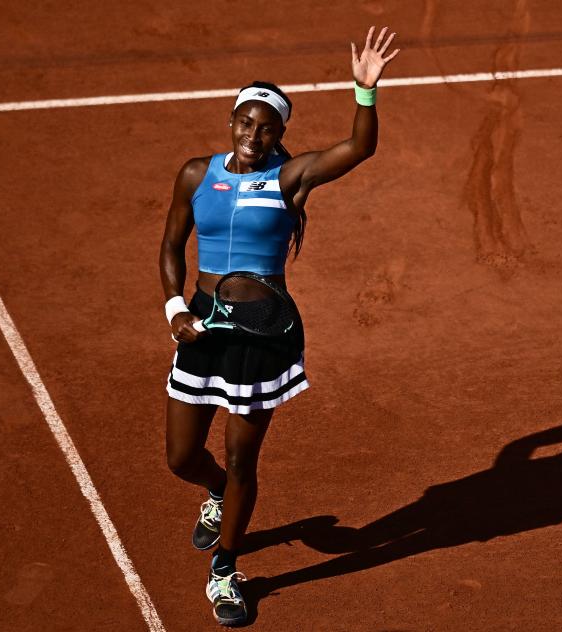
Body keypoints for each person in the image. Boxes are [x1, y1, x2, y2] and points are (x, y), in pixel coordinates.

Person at [158, 26, 400, 626]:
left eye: (266, 127)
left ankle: (226, 571)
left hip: (263, 335)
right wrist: (176, 309)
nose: (253, 135)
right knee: (182, 457)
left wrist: (364, 92)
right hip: (203, 329)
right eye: (245, 122)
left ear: (280, 135)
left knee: (244, 460)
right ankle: (213, 493)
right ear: (231, 122)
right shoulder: (195, 174)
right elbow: (169, 249)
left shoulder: (291, 178)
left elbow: (358, 149)